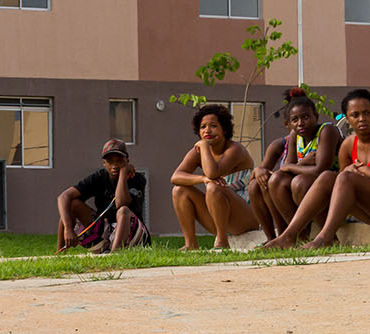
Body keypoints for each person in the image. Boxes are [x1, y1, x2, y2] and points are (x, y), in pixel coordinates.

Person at [264, 87, 370, 249]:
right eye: (355, 115)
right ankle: (289, 236)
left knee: (345, 177)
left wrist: (364, 170)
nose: (362, 119)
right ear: (347, 119)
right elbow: (341, 188)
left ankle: (325, 238)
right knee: (328, 177)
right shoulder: (348, 145)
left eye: (367, 113)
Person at [250, 90, 342, 239]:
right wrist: (301, 163)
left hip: (333, 185)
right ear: (289, 124)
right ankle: (298, 237)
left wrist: (289, 166)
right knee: (276, 180)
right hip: (307, 182)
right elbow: (286, 169)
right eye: (295, 120)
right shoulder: (295, 135)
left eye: (305, 117)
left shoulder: (327, 131)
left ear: (316, 117)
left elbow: (320, 169)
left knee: (299, 182)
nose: (300, 123)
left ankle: (328, 237)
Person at [170, 103, 259, 250]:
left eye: (213, 126)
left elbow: (212, 173)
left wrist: (204, 146)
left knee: (213, 187)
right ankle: (190, 244)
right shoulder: (199, 152)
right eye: (203, 127)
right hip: (219, 216)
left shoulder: (235, 149)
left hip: (245, 217)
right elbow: (176, 177)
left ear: (224, 129)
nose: (207, 130)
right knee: (179, 190)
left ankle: (222, 242)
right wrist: (202, 179)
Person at [56, 139, 150, 253]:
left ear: (127, 161)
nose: (115, 165)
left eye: (119, 161)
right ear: (104, 164)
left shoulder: (137, 179)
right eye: (110, 161)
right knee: (70, 206)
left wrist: (123, 174)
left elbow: (121, 203)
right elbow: (63, 197)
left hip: (132, 236)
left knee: (123, 211)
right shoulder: (99, 177)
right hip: (106, 236)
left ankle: (115, 256)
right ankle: (60, 254)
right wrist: (68, 228)